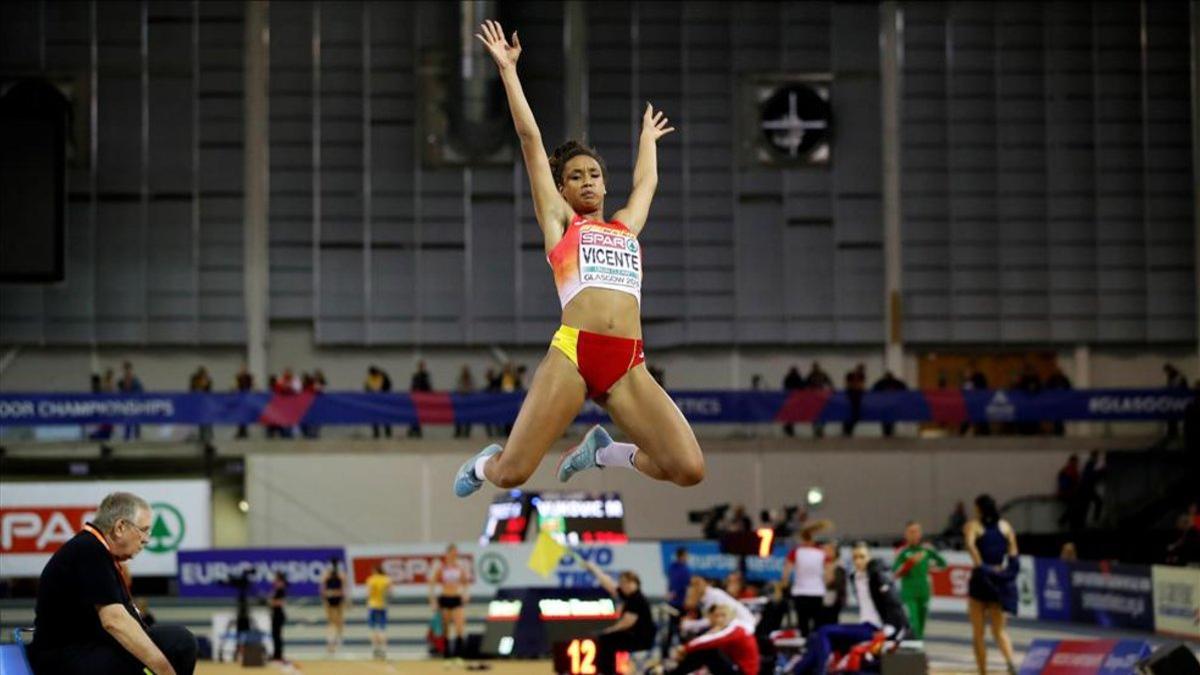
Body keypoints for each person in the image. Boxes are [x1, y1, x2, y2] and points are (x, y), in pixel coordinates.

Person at [455, 20, 704, 498]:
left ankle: (604, 452)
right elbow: (530, 139)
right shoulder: (561, 223)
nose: (587, 181)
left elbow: (647, 185)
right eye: (575, 176)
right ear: (562, 187)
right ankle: (485, 463)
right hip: (573, 353)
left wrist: (647, 141)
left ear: (605, 185)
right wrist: (508, 71)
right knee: (512, 474)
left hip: (628, 363)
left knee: (688, 468)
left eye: (594, 174)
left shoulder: (624, 226)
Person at [28, 492, 197, 675]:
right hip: (65, 660)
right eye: (144, 529)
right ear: (120, 527)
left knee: (163, 641)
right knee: (178, 642)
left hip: (81, 652)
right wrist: (166, 671)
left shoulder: (93, 549)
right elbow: (114, 621)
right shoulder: (89, 550)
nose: (147, 539)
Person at [791, 543, 909, 675]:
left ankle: (813, 671)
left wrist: (888, 631)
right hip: (864, 626)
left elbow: (893, 604)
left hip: (875, 629)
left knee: (824, 631)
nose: (858, 561)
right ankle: (799, 671)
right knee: (815, 638)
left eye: (862, 557)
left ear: (869, 558)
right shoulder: (855, 577)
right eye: (855, 557)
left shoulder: (877, 576)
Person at [964, 494, 1019, 675]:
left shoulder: (973, 526)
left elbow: (971, 548)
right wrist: (1006, 574)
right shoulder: (1006, 527)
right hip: (998, 578)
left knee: (978, 633)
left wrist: (983, 568)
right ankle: (1011, 662)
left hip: (981, 580)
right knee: (999, 630)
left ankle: (983, 672)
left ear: (979, 508)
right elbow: (1013, 556)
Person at [578, 559, 656, 675]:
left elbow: (627, 623)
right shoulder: (629, 596)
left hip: (641, 640)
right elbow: (609, 585)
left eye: (624, 582)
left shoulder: (636, 599)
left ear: (633, 582)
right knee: (606, 639)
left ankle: (608, 672)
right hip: (634, 636)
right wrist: (594, 569)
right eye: (621, 582)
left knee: (607, 640)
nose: (622, 585)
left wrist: (609, 630)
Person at [659, 604, 759, 675]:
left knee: (709, 650)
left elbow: (710, 641)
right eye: (716, 615)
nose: (719, 619)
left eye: (723, 615)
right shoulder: (719, 630)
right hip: (735, 667)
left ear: (731, 616)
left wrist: (685, 648)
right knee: (706, 650)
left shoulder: (736, 629)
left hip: (743, 672)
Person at [891, 521, 946, 640]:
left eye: (917, 531)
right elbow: (895, 573)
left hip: (924, 592)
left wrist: (931, 566)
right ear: (906, 534)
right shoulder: (903, 552)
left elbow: (943, 564)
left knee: (921, 623)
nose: (914, 534)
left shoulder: (926, 551)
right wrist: (910, 563)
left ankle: (918, 647)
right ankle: (915, 646)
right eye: (911, 532)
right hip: (909, 593)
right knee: (913, 621)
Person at [780, 520, 831, 637]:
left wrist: (784, 584)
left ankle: (804, 646)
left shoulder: (796, 552)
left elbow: (786, 573)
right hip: (817, 592)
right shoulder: (822, 553)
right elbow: (828, 575)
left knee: (803, 624)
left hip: (800, 592)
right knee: (818, 624)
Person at [428, 544, 471, 658]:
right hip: (445, 598)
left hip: (456, 598)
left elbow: (465, 582)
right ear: (447, 553)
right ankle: (447, 654)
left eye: (456, 552)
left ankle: (459, 655)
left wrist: (466, 593)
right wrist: (432, 599)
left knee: (459, 627)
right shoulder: (441, 567)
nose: (454, 554)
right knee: (446, 627)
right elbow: (431, 583)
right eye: (452, 552)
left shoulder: (459, 567)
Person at [663, 547, 692, 657]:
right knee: (674, 628)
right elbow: (677, 584)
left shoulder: (677, 568)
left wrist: (671, 592)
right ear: (683, 556)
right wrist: (671, 592)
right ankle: (680, 651)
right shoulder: (683, 570)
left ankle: (681, 651)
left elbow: (675, 584)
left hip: (678, 602)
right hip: (677, 603)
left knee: (677, 628)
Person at [816, 541, 847, 628]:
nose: (826, 552)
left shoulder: (839, 566)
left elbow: (838, 584)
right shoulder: (820, 564)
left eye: (829, 550)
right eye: (824, 550)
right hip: (819, 599)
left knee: (831, 622)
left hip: (832, 599)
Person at [366, 564, 393, 660]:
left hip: (372, 605)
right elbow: (390, 593)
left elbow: (368, 593)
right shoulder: (387, 579)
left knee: (373, 629)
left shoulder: (371, 579)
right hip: (382, 606)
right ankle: (384, 650)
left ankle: (375, 649)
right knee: (383, 629)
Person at [320, 558, 346, 655]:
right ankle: (334, 642)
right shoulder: (340, 574)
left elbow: (322, 590)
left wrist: (326, 597)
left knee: (332, 622)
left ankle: (333, 643)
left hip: (332, 598)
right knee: (336, 622)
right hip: (335, 598)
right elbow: (343, 589)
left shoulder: (327, 574)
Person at [871, 371, 908, 437]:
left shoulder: (894, 383)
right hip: (885, 405)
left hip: (890, 405)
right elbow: (874, 391)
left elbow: (905, 390)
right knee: (886, 421)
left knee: (890, 421)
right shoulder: (882, 383)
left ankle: (888, 433)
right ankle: (887, 433)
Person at [117, 361, 144, 440]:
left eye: (127, 369)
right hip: (126, 403)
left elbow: (140, 390)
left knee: (136, 420)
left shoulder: (135, 380)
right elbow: (121, 391)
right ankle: (127, 437)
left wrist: (135, 396)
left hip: (134, 402)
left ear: (130, 369)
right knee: (127, 420)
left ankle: (137, 436)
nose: (126, 371)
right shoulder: (123, 380)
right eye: (125, 369)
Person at [365, 365, 393, 438]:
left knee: (385, 416)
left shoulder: (383, 376)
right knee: (374, 417)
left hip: (384, 400)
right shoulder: (369, 378)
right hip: (373, 401)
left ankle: (388, 433)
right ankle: (376, 433)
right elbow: (366, 388)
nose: (372, 375)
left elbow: (389, 386)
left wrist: (383, 393)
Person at [409, 360, 432, 437]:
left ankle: (418, 430)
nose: (421, 367)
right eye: (420, 366)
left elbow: (428, 386)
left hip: (423, 397)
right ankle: (413, 430)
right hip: (416, 397)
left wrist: (429, 393)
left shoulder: (426, 375)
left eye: (422, 366)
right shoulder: (415, 376)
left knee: (420, 415)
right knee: (414, 414)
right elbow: (412, 386)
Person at [782, 366, 806, 437]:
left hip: (796, 399)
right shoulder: (789, 377)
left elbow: (802, 387)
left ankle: (789, 428)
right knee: (791, 415)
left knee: (793, 415)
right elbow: (785, 387)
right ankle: (789, 428)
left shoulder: (797, 378)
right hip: (790, 399)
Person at [843, 364, 866, 437]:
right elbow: (847, 384)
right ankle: (847, 429)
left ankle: (849, 429)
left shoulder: (862, 375)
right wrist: (853, 387)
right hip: (851, 394)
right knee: (850, 412)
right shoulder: (850, 374)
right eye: (860, 369)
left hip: (857, 395)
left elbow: (862, 385)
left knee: (856, 414)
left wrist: (860, 388)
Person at [269, 571, 287, 662]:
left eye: (276, 580)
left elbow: (280, 602)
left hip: (278, 615)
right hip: (275, 614)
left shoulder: (281, 590)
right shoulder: (276, 590)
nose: (274, 581)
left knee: (277, 635)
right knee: (275, 635)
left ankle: (278, 655)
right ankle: (276, 654)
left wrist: (271, 602)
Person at [455, 365, 475, 438]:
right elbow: (458, 387)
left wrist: (467, 390)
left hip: (469, 401)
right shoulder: (460, 379)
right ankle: (458, 432)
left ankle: (467, 432)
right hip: (462, 401)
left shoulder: (470, 379)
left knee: (468, 417)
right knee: (459, 417)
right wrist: (462, 391)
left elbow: (472, 387)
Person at [234, 364, 254, 438]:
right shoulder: (238, 377)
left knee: (245, 415)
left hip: (246, 398)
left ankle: (245, 431)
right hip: (240, 398)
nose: (243, 371)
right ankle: (240, 431)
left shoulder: (249, 377)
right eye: (242, 370)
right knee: (240, 415)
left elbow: (253, 385)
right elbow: (235, 386)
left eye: (244, 370)